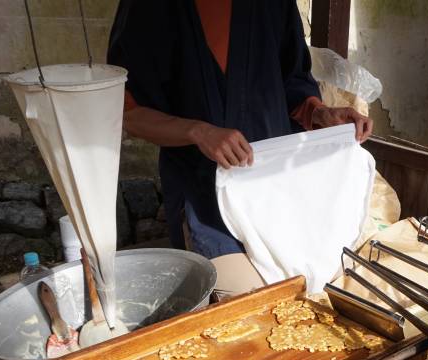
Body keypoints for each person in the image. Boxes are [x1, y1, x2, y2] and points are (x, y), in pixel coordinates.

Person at [108, 1, 373, 295]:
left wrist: (321, 114)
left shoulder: (273, 7)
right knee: (250, 306)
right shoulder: (149, 9)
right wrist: (198, 131)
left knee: (320, 293)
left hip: (277, 193)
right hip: (205, 199)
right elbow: (129, 113)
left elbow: (292, 84)